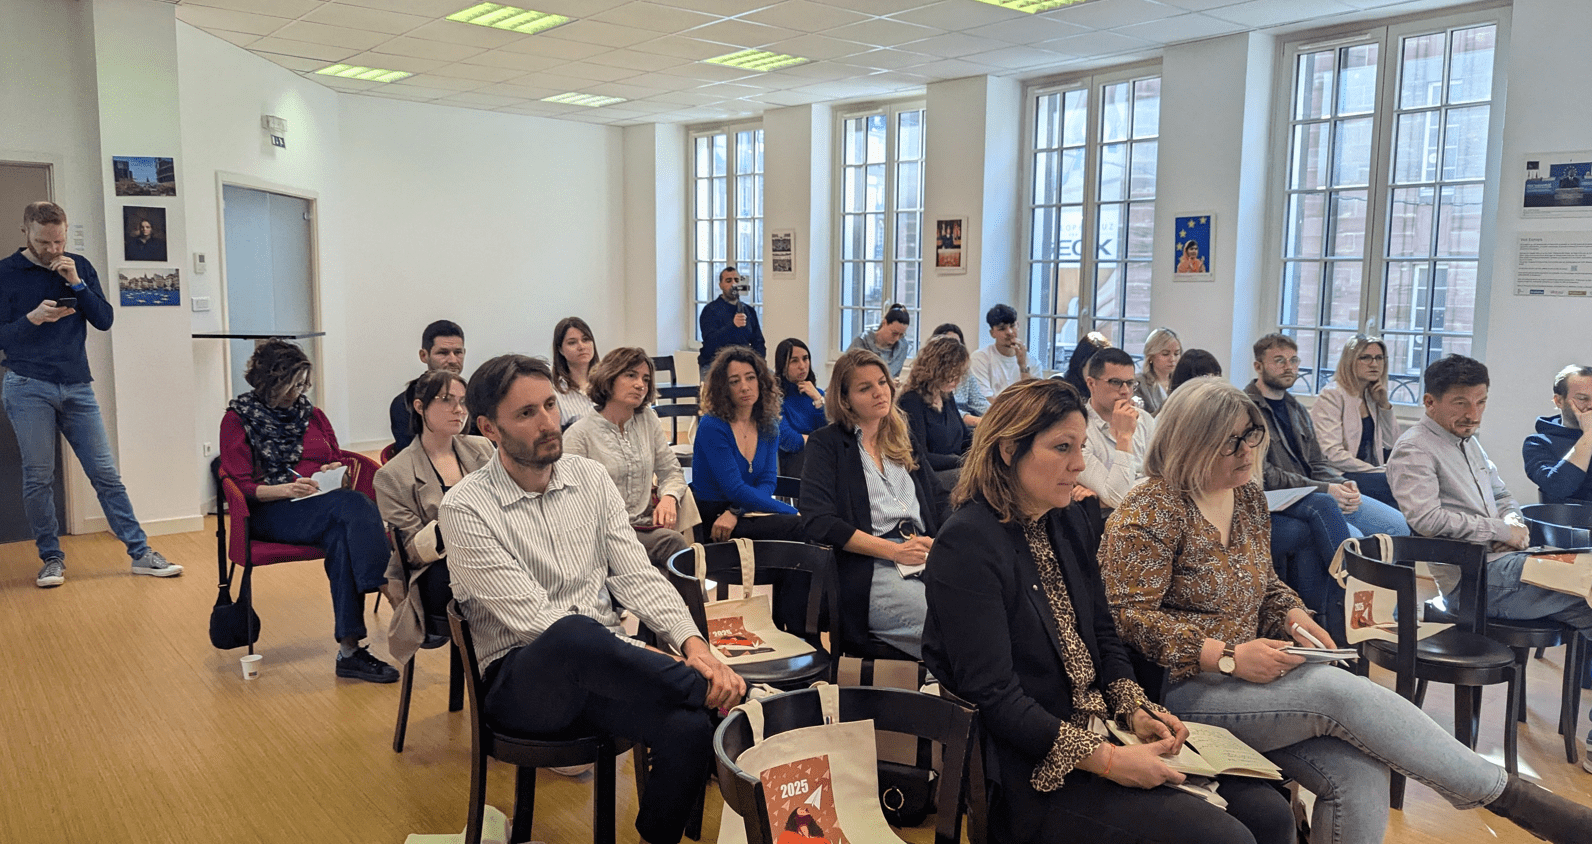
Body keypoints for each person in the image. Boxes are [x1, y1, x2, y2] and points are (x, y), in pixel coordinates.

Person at [1101, 377, 1592, 844]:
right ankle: (1517, 800)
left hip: (1255, 679)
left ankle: (1512, 799)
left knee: (1360, 774)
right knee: (1340, 693)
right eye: (1231, 444)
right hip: (1184, 690)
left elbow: (1265, 585)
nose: (1248, 453)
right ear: (1191, 444)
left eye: (1252, 437)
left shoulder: (1244, 494)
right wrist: (1226, 656)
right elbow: (1129, 618)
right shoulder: (1151, 507)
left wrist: (1293, 614)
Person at [923, 378, 1294, 844]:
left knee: (1271, 813)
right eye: (1062, 448)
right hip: (1035, 768)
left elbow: (1104, 634)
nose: (1079, 465)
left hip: (1103, 729)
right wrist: (1111, 761)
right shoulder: (968, 544)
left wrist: (1135, 708)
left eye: (1080, 446)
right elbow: (995, 697)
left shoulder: (1066, 519)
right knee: (1224, 837)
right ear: (1006, 450)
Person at [438, 354, 744, 844]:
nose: (548, 423)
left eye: (550, 405)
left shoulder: (589, 479)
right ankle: (727, 697)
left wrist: (693, 645)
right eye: (526, 414)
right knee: (574, 632)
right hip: (523, 683)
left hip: (602, 668)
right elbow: (532, 619)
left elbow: (636, 575)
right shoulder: (465, 507)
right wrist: (639, 652)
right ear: (488, 428)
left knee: (687, 726)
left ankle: (656, 834)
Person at [0, 201, 179, 587]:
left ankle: (141, 553)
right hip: (27, 384)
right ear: (26, 232)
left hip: (77, 385)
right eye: (44, 242)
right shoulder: (5, 273)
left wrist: (77, 284)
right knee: (38, 477)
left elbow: (104, 319)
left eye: (59, 241)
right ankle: (51, 558)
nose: (52, 250)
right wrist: (33, 318)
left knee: (106, 474)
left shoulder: (77, 265)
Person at [1389, 355, 1592, 658]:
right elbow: (1427, 519)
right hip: (1471, 581)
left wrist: (1514, 522)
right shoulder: (1414, 449)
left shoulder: (1468, 442)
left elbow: (1501, 496)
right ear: (1430, 402)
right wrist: (1501, 530)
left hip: (1504, 564)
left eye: (1481, 402)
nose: (1473, 414)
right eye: (1461, 403)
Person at [219, 339, 396, 682]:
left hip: (320, 505)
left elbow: (335, 456)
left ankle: (350, 650)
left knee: (342, 536)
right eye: (293, 385)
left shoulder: (311, 414)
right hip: (272, 512)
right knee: (353, 505)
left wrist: (333, 471)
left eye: (305, 385)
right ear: (269, 382)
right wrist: (284, 489)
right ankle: (395, 596)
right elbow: (238, 485)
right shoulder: (238, 418)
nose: (299, 393)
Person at [800, 349, 947, 659]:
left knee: (982, 616)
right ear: (845, 399)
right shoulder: (827, 444)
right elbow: (818, 521)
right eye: (865, 388)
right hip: (870, 565)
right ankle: (951, 700)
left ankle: (947, 691)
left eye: (882, 382)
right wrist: (894, 551)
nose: (880, 392)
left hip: (923, 551)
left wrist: (944, 542)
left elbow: (938, 497)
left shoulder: (901, 435)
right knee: (944, 630)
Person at [374, 369, 495, 665]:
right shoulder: (393, 475)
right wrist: (460, 523)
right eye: (445, 400)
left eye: (463, 401)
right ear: (420, 406)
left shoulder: (481, 449)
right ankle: (497, 672)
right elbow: (413, 552)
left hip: (490, 555)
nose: (459, 410)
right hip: (435, 572)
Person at [1246, 333, 1409, 539]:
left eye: (1293, 360)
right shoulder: (1247, 409)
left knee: (1399, 527)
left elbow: (1318, 461)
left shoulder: (1296, 409)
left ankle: (1395, 571)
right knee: (1355, 537)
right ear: (1258, 367)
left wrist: (1339, 483)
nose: (1288, 367)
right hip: (1284, 496)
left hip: (1315, 487)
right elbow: (1264, 473)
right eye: (1279, 361)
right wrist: (1327, 487)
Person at [564, 347, 691, 566]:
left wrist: (669, 497)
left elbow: (671, 470)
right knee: (673, 543)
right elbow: (567, 501)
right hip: (601, 534)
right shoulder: (579, 434)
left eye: (646, 379)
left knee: (678, 551)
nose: (640, 384)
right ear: (609, 377)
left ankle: (691, 601)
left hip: (644, 525)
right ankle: (695, 601)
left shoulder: (647, 420)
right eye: (631, 375)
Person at [693, 346, 803, 542]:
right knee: (799, 527)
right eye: (734, 381)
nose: (744, 387)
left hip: (743, 510)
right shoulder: (713, 425)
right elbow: (734, 488)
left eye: (750, 378)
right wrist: (791, 511)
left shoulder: (769, 424)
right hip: (715, 517)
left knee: (805, 531)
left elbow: (768, 482)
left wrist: (737, 511)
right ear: (724, 388)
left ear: (761, 381)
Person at [1307, 335, 1401, 508]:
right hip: (1340, 475)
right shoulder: (1332, 395)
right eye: (1365, 358)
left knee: (1405, 488)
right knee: (1399, 486)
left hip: (1367, 472)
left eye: (1379, 358)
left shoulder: (1371, 395)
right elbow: (1331, 453)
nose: (1374, 364)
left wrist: (1384, 405)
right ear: (1350, 360)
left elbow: (1391, 443)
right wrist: (1376, 471)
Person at [1078, 348, 1156, 510]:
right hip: (1104, 527)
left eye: (1130, 383)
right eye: (1115, 382)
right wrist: (1124, 436)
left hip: (1150, 516)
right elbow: (1120, 498)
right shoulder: (1080, 429)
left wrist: (1103, 498)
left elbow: (1165, 482)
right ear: (1091, 383)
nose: (1125, 391)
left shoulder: (1144, 419)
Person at [897, 334, 973, 485]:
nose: (956, 381)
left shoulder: (945, 395)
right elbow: (920, 457)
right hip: (931, 477)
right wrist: (962, 461)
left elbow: (964, 437)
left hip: (956, 467)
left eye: (959, 375)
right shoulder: (911, 401)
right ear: (936, 370)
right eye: (952, 376)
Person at [388, 320, 468, 452]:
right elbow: (412, 458)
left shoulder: (475, 397)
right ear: (424, 355)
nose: (453, 360)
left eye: (458, 352)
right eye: (443, 353)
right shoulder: (404, 404)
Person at [1523, 364, 1592, 504]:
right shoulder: (1537, 443)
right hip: (1567, 522)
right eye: (1583, 398)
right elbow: (1560, 487)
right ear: (1559, 401)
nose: (1591, 405)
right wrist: (1589, 435)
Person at [698, 266, 764, 378]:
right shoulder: (710, 310)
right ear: (721, 285)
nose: (733, 284)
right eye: (728, 281)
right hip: (715, 365)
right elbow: (710, 343)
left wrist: (758, 363)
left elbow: (758, 341)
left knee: (771, 380)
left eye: (736, 280)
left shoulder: (748, 311)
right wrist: (732, 326)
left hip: (743, 364)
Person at [775, 338, 825, 477]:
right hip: (793, 464)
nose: (802, 366)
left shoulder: (817, 394)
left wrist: (818, 400)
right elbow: (789, 441)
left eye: (805, 358)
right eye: (794, 361)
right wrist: (821, 441)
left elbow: (832, 430)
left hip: (822, 459)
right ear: (782, 365)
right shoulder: (774, 398)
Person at [969, 304, 1032, 407]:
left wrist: (1023, 366)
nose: (1009, 332)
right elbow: (986, 400)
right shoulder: (980, 358)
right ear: (992, 333)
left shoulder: (1032, 361)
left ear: (1018, 325)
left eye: (1012, 326)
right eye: (1002, 329)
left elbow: (1032, 399)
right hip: (993, 417)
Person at [933, 322, 986, 426]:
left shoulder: (966, 372)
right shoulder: (932, 374)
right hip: (949, 423)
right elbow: (945, 411)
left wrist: (998, 414)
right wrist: (977, 421)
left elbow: (979, 402)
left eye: (957, 344)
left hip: (966, 426)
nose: (954, 349)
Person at [552, 315, 599, 428]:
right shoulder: (554, 391)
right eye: (572, 342)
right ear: (560, 350)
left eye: (586, 339)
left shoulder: (609, 384)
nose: (581, 346)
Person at [848, 303, 913, 378]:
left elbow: (895, 375)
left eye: (901, 335)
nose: (897, 338)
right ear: (884, 323)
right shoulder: (861, 342)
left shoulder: (902, 346)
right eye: (894, 333)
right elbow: (849, 374)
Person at [1133, 327, 1181, 415]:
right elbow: (1141, 419)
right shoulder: (1139, 383)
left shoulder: (1180, 382)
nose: (1172, 359)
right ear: (1151, 356)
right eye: (1165, 354)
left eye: (1176, 353)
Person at [1062, 331, 1111, 399]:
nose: (1100, 371)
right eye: (1095, 365)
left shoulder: (1111, 388)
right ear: (1080, 364)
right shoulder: (1062, 388)